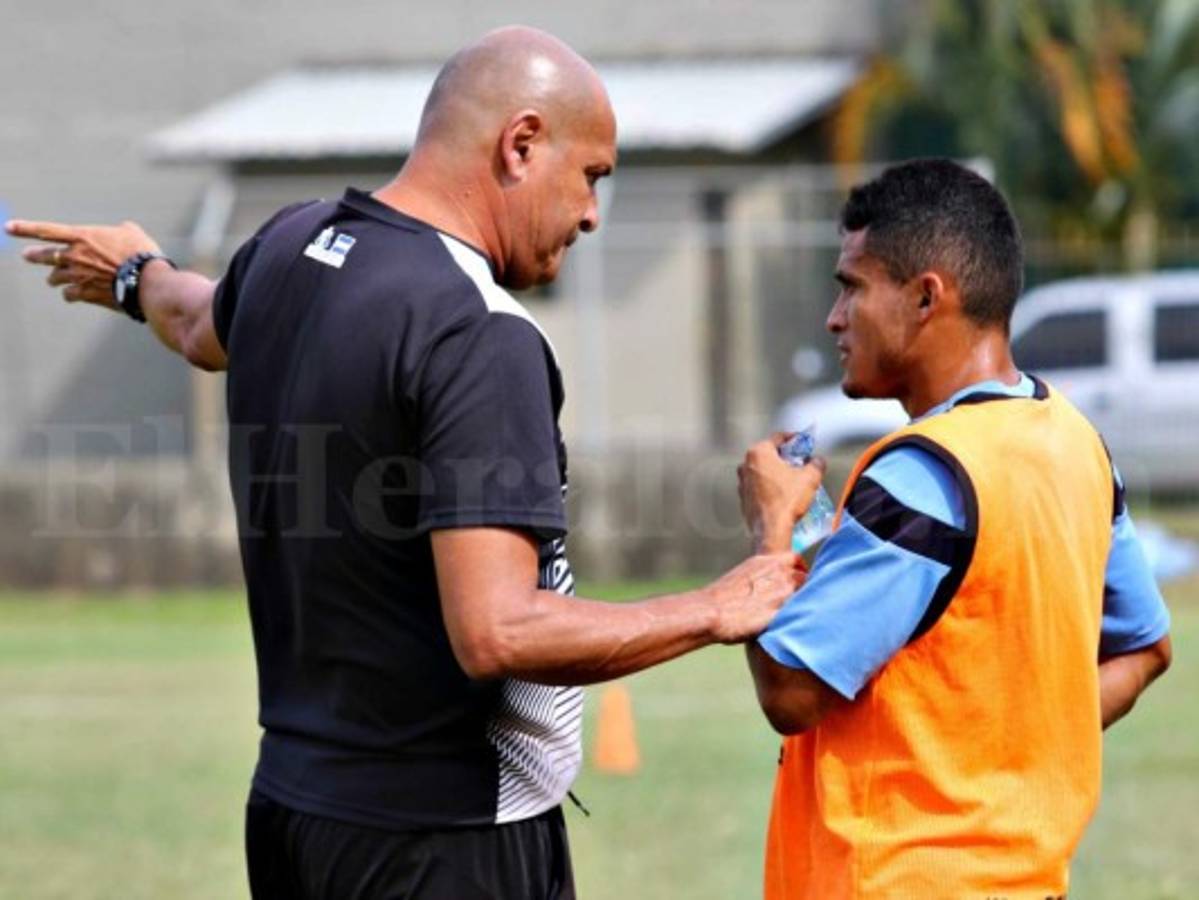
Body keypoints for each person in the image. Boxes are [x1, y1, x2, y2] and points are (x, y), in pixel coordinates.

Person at [7, 27, 819, 900]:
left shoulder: (290, 247)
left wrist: (136, 273)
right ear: (521, 143)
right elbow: (496, 631)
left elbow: (193, 321)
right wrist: (712, 607)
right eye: (592, 178)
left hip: (291, 814)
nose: (590, 214)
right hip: (440, 842)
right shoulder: (479, 333)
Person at [737, 158, 1172, 899]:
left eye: (850, 287)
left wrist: (770, 526)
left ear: (924, 296)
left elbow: (789, 691)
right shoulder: (1076, 441)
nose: (832, 317)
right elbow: (1144, 647)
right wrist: (1002, 758)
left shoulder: (922, 476)